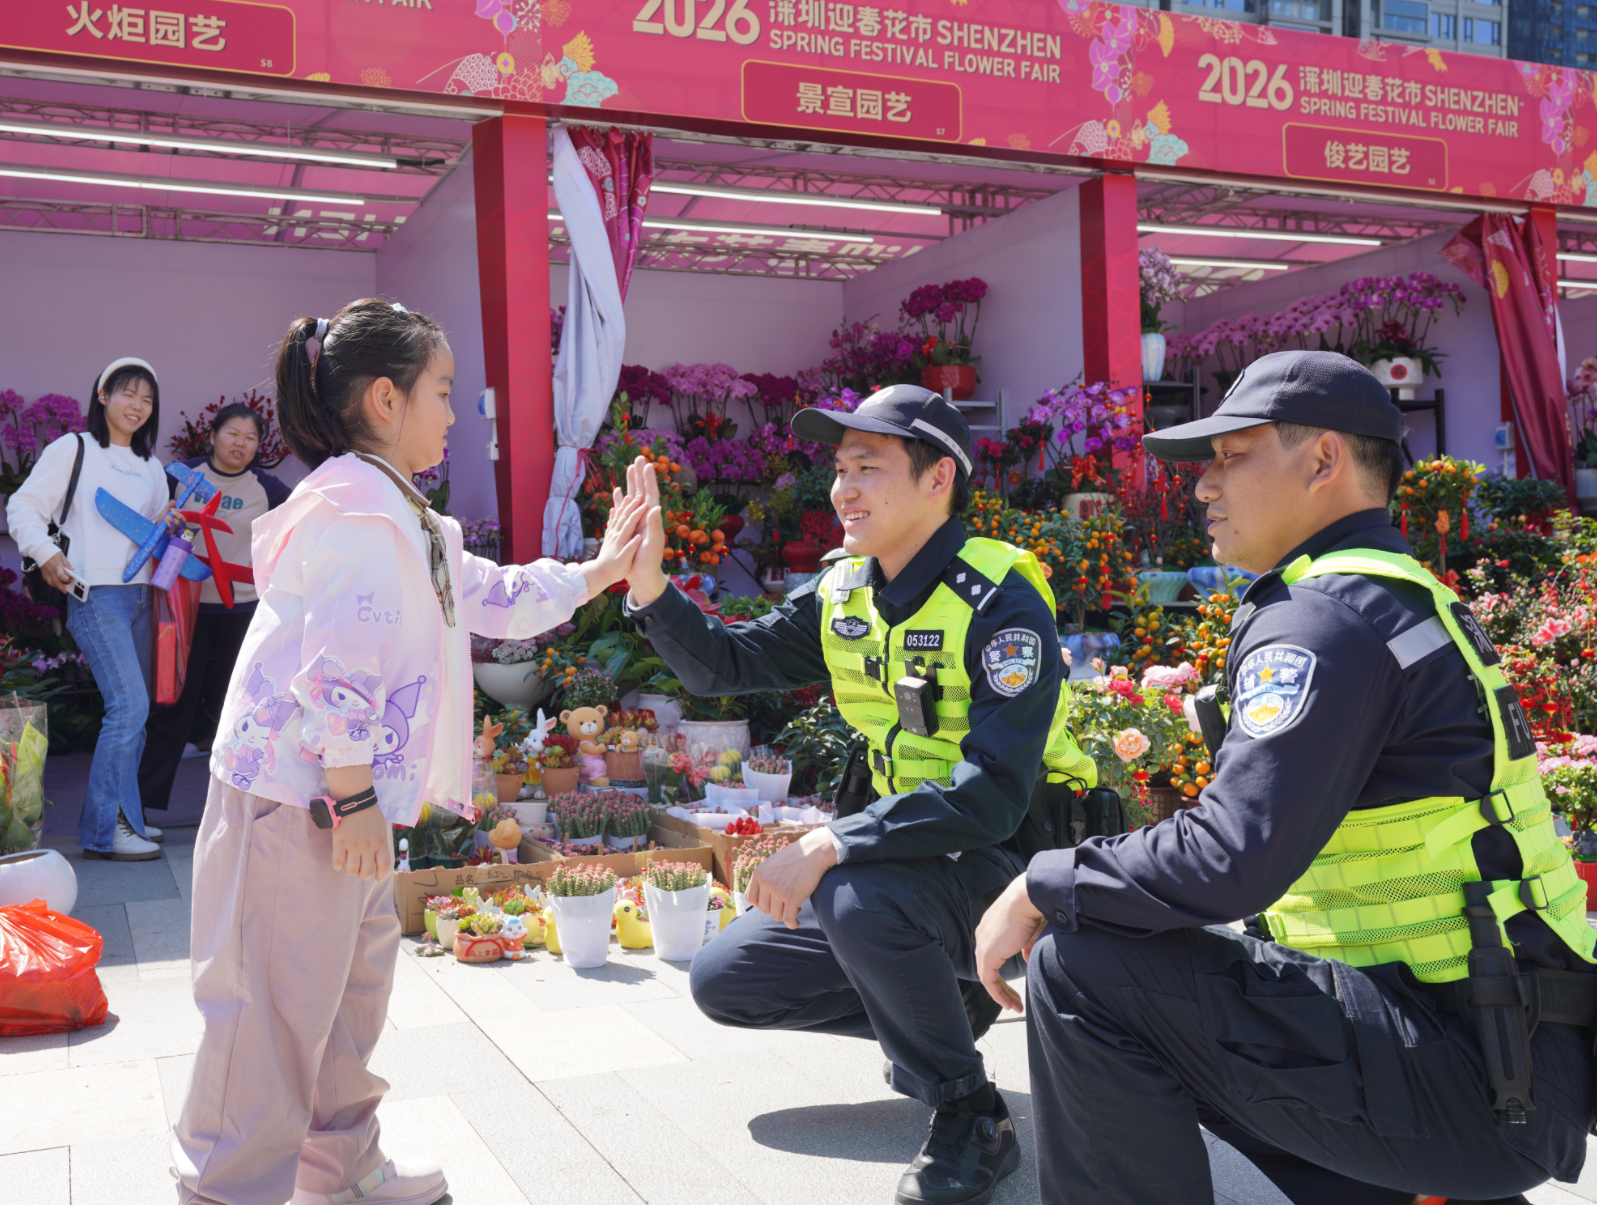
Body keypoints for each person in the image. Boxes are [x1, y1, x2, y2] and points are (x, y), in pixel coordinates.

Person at [974, 350, 1597, 1205]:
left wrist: (1042, 880)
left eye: (1232, 455)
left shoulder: (1322, 616)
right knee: (1169, 958)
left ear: (1323, 459)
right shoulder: (1393, 591)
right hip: (1500, 1059)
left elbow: (1231, 857)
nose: (1202, 486)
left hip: (1472, 1081)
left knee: (1079, 965)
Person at [170, 299, 654, 1205]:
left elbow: (494, 596)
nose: (454, 411)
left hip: (339, 799)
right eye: (442, 390)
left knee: (347, 995)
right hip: (304, 797)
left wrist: (600, 569)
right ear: (386, 400)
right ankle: (226, 1189)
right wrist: (352, 800)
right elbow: (336, 668)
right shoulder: (360, 511)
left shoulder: (403, 514)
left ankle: (338, 1169)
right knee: (270, 1009)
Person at [622, 385, 1099, 1205]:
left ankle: (969, 1112)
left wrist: (828, 840)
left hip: (1013, 866)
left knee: (849, 887)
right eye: (839, 468)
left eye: (867, 467)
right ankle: (943, 1007)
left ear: (937, 478)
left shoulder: (1001, 600)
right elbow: (725, 666)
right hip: (912, 864)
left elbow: (990, 794)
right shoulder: (845, 591)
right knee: (726, 979)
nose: (842, 488)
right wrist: (649, 587)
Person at [7, 357, 175, 862]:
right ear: (103, 396)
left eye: (147, 400)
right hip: (93, 595)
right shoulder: (74, 449)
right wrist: (49, 554)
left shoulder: (150, 467)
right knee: (129, 708)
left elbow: (152, 538)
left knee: (134, 716)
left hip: (143, 596)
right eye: (128, 394)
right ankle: (106, 829)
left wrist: (173, 526)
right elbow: (23, 507)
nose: (137, 406)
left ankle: (128, 815)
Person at [138, 403, 291, 815]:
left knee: (240, 707)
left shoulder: (270, 490)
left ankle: (240, 808)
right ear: (212, 437)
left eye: (250, 437)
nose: (241, 443)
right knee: (172, 702)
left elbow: (296, 537)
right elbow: (152, 520)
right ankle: (146, 807)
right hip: (185, 608)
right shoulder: (180, 476)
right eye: (232, 434)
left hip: (242, 611)